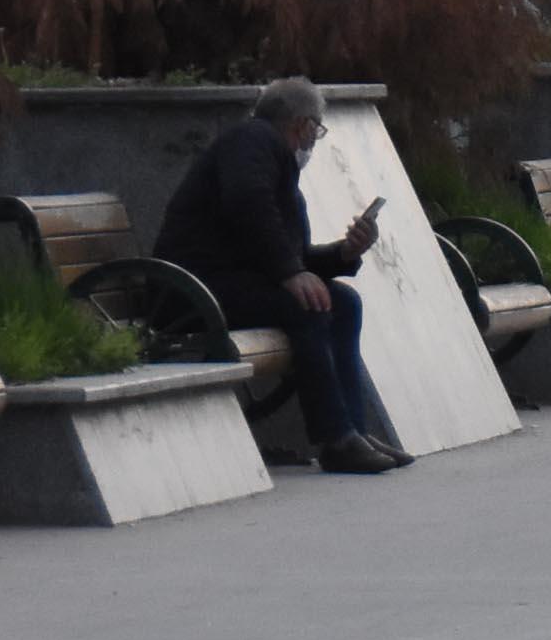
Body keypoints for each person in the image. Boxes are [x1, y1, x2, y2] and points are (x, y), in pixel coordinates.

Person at [153, 75, 402, 474]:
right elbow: (247, 204)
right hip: (194, 290)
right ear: (303, 125)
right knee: (305, 304)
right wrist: (290, 273)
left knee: (342, 300)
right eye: (317, 131)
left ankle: (353, 427)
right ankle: (335, 439)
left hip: (230, 284)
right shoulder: (253, 140)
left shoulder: (275, 164)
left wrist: (344, 252)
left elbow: (294, 256)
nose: (314, 141)